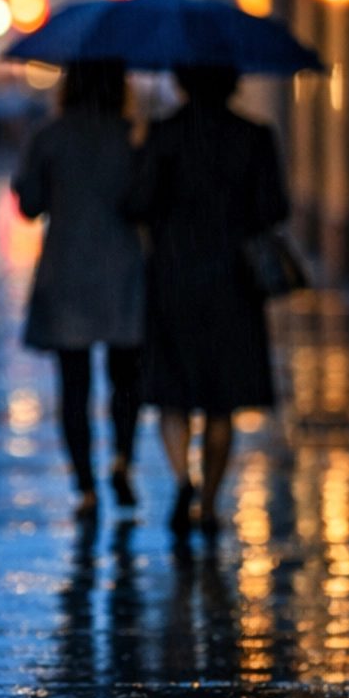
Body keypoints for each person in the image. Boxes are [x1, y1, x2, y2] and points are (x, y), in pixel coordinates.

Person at [124, 62, 290, 541]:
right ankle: (211, 504)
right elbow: (274, 207)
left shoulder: (163, 134)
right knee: (222, 399)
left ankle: (182, 479)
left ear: (181, 84)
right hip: (234, 281)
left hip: (173, 276)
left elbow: (137, 202)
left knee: (173, 391)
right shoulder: (254, 135)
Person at [13, 59, 145, 518]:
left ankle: (86, 488)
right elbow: (146, 201)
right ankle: (123, 458)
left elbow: (29, 205)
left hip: (66, 269)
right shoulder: (132, 136)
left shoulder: (49, 135)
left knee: (74, 385)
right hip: (123, 269)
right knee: (126, 379)